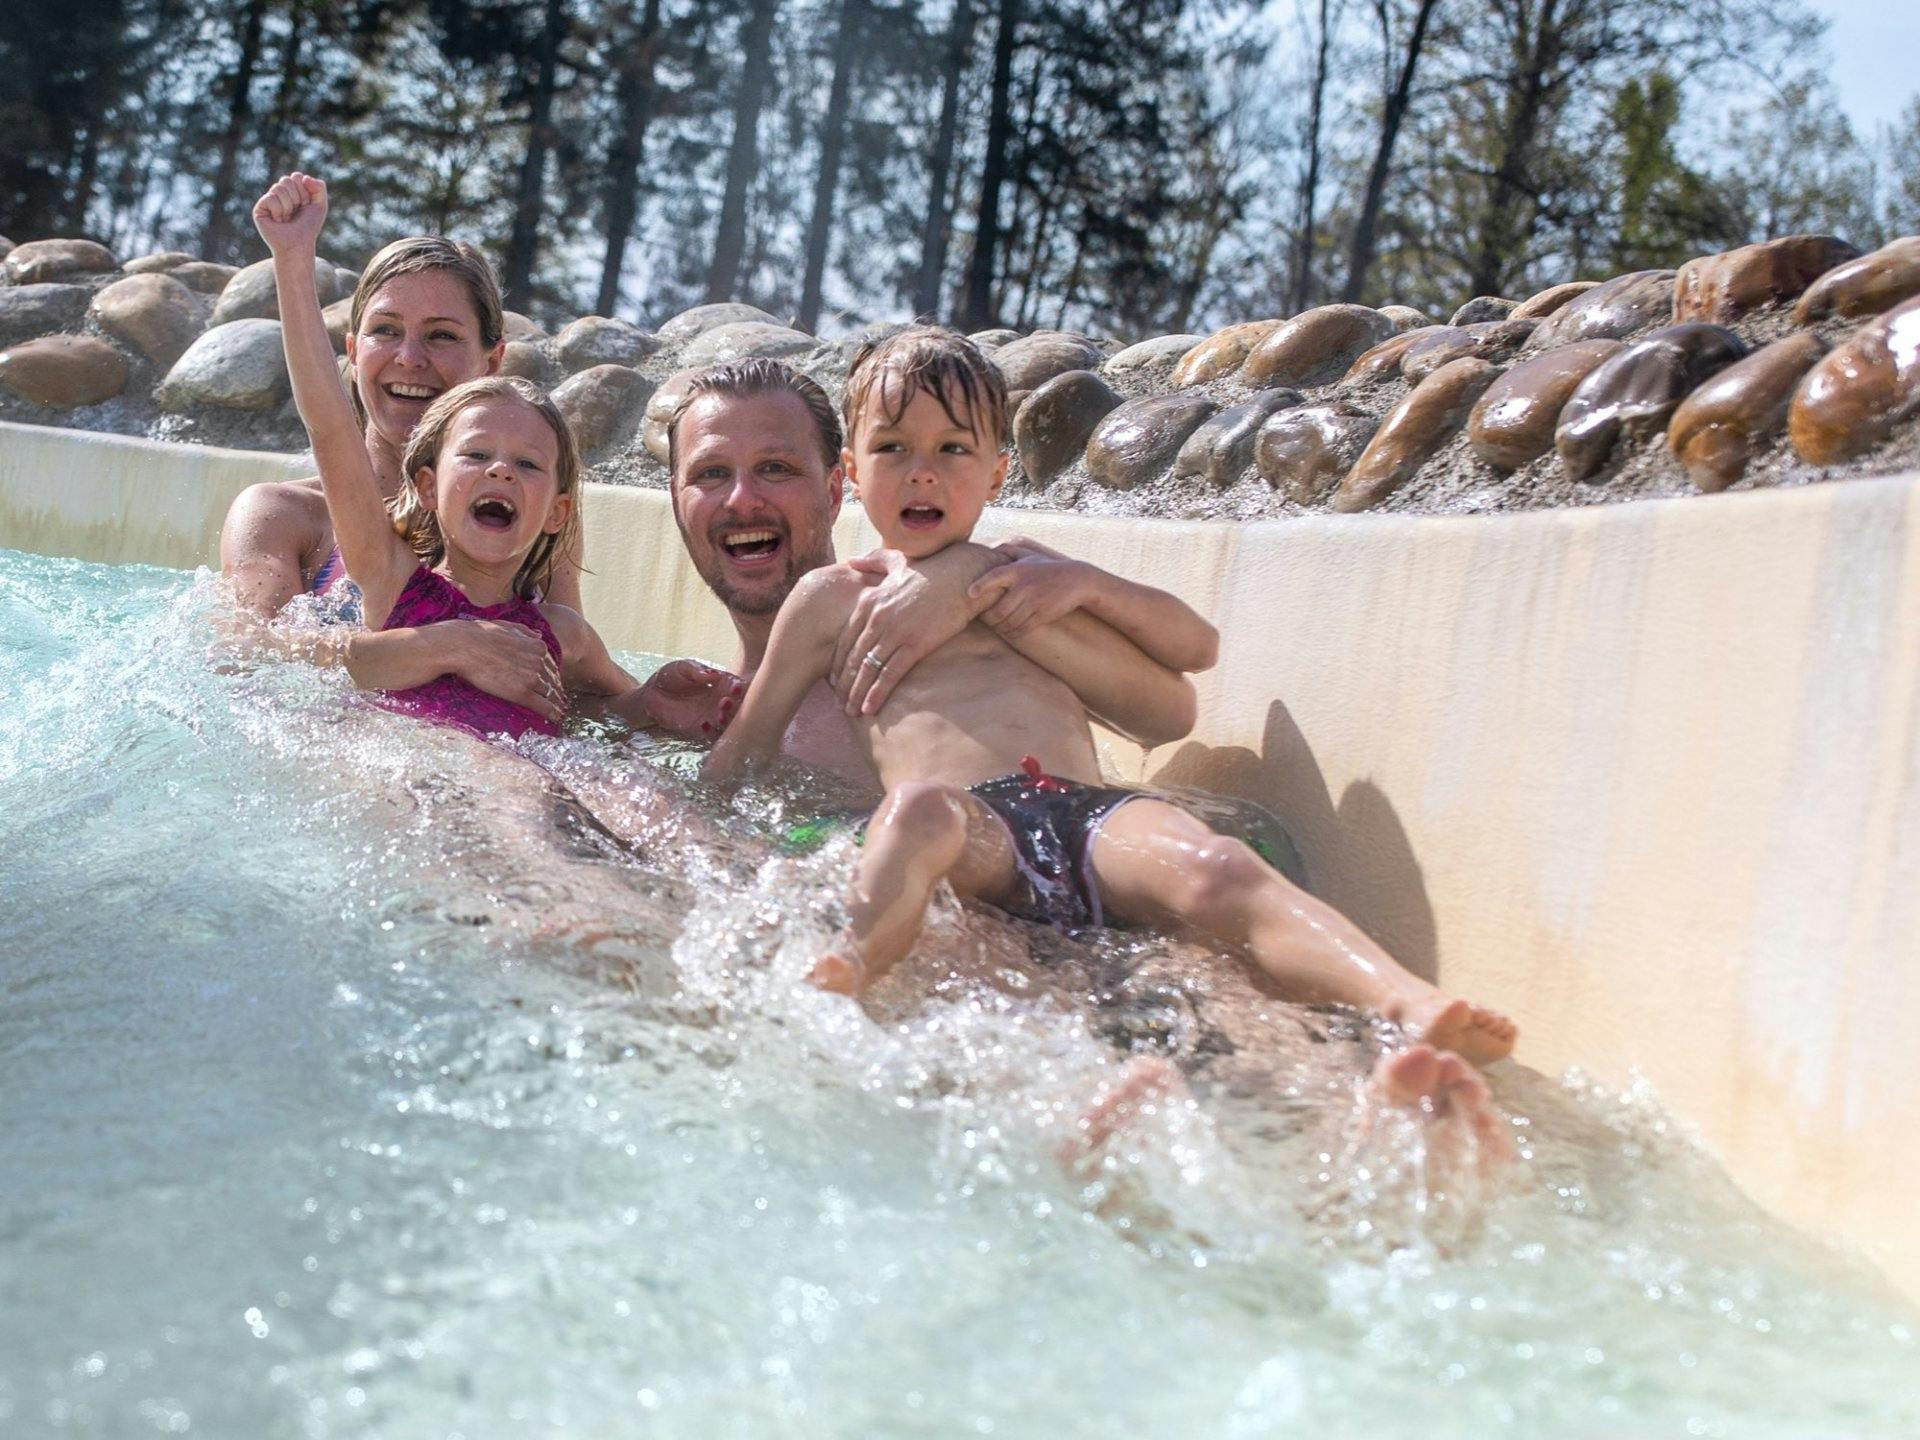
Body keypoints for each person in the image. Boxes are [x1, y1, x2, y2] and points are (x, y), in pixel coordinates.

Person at [703, 326, 1517, 1067]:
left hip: (1087, 812)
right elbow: (749, 739)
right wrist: (707, 817)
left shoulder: (1031, 570)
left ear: (996, 472)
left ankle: (1404, 997)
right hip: (971, 824)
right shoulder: (830, 598)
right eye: (893, 447)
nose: (922, 470)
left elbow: (1195, 647)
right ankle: (843, 965)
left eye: (953, 448)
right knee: (915, 814)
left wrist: (1087, 583)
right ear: (852, 473)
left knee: (1215, 864)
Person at [254, 171, 650, 739]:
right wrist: (445, 645)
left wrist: (662, 701)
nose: (409, 358)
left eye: (441, 335)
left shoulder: (535, 521)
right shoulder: (304, 523)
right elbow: (251, 659)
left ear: (493, 360)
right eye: (385, 331)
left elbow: (577, 696)